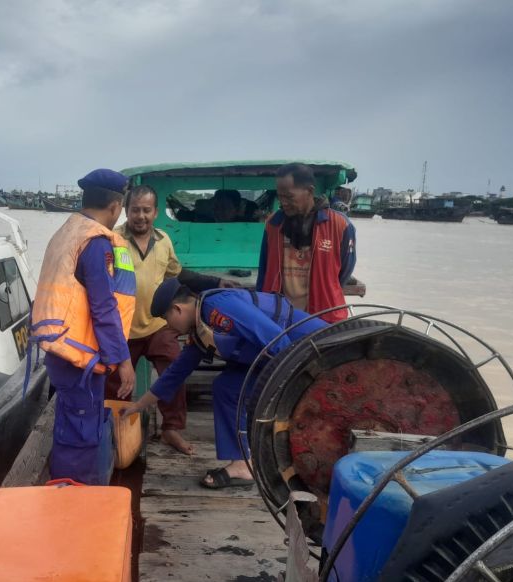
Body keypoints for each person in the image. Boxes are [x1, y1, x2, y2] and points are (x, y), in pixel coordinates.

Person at [121, 278, 327, 488]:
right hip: (270, 359)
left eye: (167, 319)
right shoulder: (200, 329)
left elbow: (274, 339)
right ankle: (242, 465)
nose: (168, 325)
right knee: (226, 388)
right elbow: (175, 374)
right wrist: (138, 406)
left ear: (178, 309)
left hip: (304, 346)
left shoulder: (218, 307)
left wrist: (295, 384)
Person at [106, 184, 237, 455]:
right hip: (123, 329)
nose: (141, 216)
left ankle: (171, 428)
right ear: (126, 211)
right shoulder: (112, 239)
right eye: (135, 210)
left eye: (146, 210)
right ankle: (114, 430)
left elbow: (178, 274)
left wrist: (215, 282)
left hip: (157, 325)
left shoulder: (163, 240)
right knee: (116, 384)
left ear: (156, 212)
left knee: (174, 369)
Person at [30, 168, 136, 485]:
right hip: (78, 356)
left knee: (71, 421)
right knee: (81, 430)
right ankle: (77, 493)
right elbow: (104, 307)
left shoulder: (67, 231)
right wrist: (123, 360)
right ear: (116, 207)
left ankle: (66, 484)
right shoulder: (95, 243)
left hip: (59, 348)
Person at [256, 163, 356, 322]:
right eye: (280, 196)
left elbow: (344, 271)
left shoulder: (340, 225)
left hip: (324, 317)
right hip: (279, 317)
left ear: (309, 191)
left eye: (289, 197)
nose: (283, 202)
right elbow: (264, 270)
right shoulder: (273, 224)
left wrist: (325, 288)